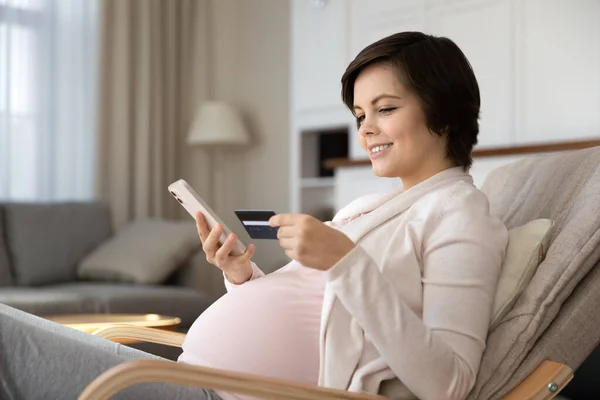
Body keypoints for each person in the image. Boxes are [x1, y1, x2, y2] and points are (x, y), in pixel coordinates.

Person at [0, 31, 507, 400]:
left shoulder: (461, 215)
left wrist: (347, 262)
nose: (366, 129)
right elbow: (309, 308)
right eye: (359, 115)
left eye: (385, 109)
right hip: (191, 378)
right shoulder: (369, 206)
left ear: (443, 108)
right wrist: (241, 277)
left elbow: (449, 383)